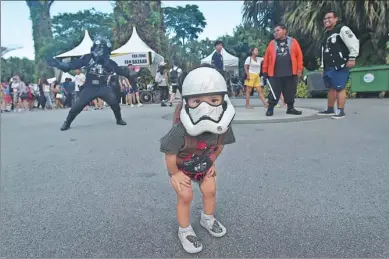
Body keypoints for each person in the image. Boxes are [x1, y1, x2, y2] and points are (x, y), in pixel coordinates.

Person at [160, 64, 236, 254]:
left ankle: (207, 218)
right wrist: (175, 174)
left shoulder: (223, 128)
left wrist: (212, 161)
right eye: (196, 101)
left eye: (213, 100)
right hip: (181, 167)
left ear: (223, 100)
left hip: (203, 164)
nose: (205, 107)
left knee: (210, 190)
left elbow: (219, 147)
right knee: (186, 196)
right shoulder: (180, 131)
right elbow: (170, 154)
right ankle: (184, 230)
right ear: (186, 102)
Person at [47, 36, 129, 131]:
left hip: (103, 87)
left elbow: (118, 70)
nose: (101, 52)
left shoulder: (109, 62)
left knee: (114, 102)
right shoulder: (87, 58)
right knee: (77, 106)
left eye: (103, 50)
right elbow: (72, 65)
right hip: (89, 87)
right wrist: (59, 64)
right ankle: (67, 122)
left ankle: (119, 119)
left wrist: (128, 73)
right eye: (99, 49)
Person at [318, 10, 359, 119]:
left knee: (340, 87)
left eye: (329, 18)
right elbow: (323, 51)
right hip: (328, 66)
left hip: (340, 64)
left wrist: (352, 57)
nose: (327, 20)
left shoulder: (342, 29)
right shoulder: (326, 34)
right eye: (325, 18)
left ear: (336, 19)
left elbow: (354, 42)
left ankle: (341, 111)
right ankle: (330, 109)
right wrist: (322, 66)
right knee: (331, 87)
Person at [262, 24, 304, 116]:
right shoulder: (272, 43)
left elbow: (299, 56)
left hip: (290, 73)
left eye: (277, 30)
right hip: (275, 73)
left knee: (290, 91)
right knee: (273, 92)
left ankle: (290, 108)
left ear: (284, 31)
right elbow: (266, 58)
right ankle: (270, 109)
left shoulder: (293, 41)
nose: (275, 33)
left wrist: (299, 69)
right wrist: (264, 71)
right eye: (274, 31)